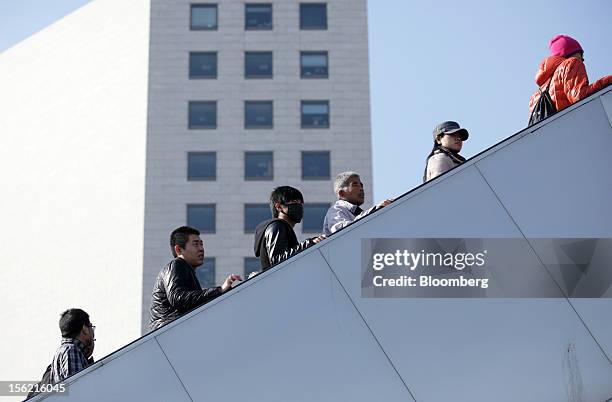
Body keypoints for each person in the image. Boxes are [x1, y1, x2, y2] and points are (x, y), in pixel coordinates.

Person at [149, 226, 241, 330]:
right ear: (179, 249)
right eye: (196, 244)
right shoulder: (177, 265)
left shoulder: (185, 270)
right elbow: (178, 298)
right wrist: (219, 290)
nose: (201, 249)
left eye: (201, 244)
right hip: (169, 333)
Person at [529, 35, 611, 117]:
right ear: (569, 53)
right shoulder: (571, 63)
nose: (583, 59)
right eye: (580, 53)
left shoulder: (535, 95)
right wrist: (608, 80)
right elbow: (580, 96)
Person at [253, 186, 325, 272]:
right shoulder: (277, 226)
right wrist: (309, 243)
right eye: (294, 202)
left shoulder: (281, 228)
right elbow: (277, 261)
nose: (299, 206)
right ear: (278, 207)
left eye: (300, 203)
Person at [323, 172, 392, 236]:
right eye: (355, 185)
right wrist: (374, 210)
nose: (361, 189)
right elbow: (341, 230)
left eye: (361, 185)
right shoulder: (335, 210)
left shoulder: (356, 212)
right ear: (342, 193)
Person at [50, 309, 95, 384]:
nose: (92, 331)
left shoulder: (63, 350)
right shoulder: (71, 350)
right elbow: (77, 387)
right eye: (91, 326)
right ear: (84, 329)